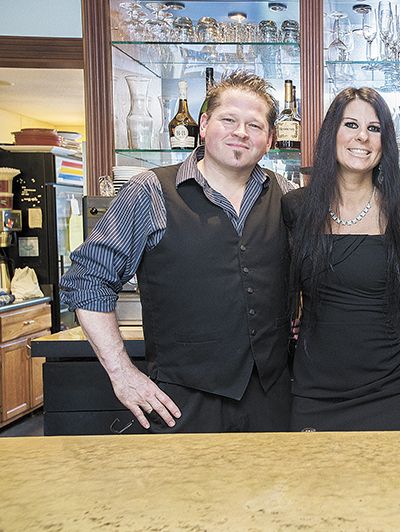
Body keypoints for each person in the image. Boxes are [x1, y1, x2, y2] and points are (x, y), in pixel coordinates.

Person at [60, 71, 294, 433]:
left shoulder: (285, 193)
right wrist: (122, 373)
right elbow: (87, 281)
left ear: (269, 140)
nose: (241, 132)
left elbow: (319, 267)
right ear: (204, 125)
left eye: (255, 125)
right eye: (228, 120)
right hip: (182, 402)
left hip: (273, 398)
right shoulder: (150, 190)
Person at [281, 87, 400, 431]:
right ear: (331, 133)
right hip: (315, 388)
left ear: (385, 142)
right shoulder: (296, 208)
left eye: (374, 128)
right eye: (350, 124)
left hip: (394, 384)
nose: (362, 136)